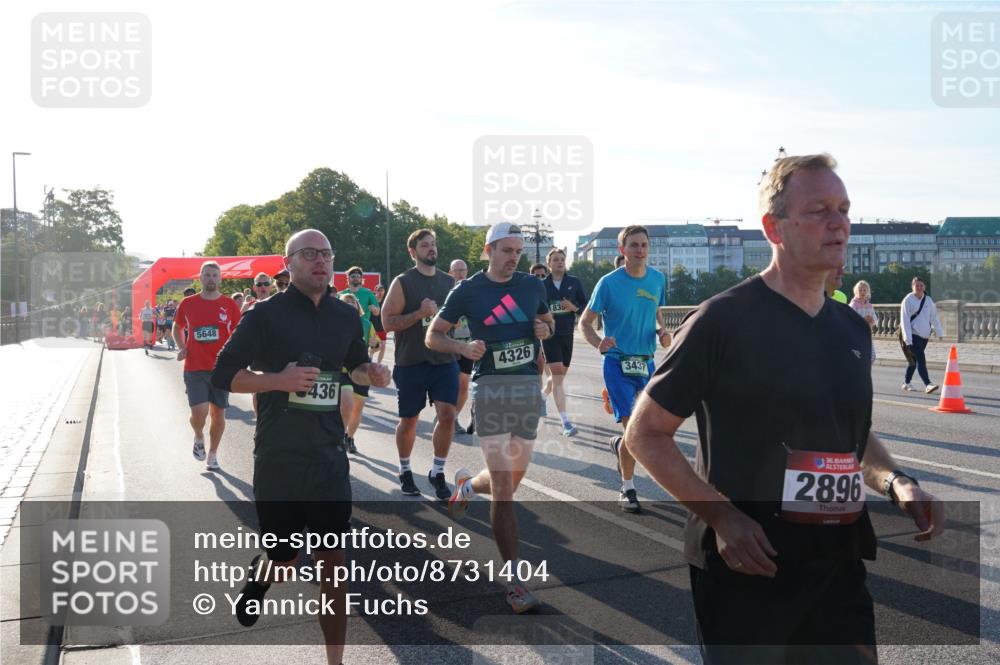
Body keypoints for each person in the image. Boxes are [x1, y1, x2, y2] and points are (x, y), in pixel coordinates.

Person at [625, 153, 945, 665]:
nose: (839, 222)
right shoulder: (720, 322)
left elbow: (851, 434)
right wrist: (722, 517)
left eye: (844, 208)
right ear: (773, 227)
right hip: (750, 565)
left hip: (838, 566)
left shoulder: (851, 328)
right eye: (819, 209)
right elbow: (644, 435)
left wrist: (894, 480)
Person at [212, 229, 391, 665]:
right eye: (309, 254)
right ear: (289, 263)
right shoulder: (263, 315)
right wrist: (278, 380)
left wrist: (371, 373)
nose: (321, 261)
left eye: (327, 253)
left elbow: (354, 365)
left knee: (335, 563)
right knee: (285, 557)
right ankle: (263, 573)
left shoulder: (345, 316)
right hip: (279, 456)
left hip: (328, 454)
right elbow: (224, 375)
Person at [428, 221, 555, 614]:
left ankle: (466, 487)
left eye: (518, 251)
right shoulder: (467, 290)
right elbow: (433, 335)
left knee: (513, 479)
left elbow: (548, 325)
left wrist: (544, 328)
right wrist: (462, 347)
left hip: (526, 389)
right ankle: (516, 583)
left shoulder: (532, 286)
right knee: (504, 488)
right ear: (488, 251)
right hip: (491, 390)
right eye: (506, 250)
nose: (513, 257)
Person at [579, 225, 669, 513]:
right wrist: (598, 342)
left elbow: (655, 313)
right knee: (634, 428)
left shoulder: (657, 279)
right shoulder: (608, 283)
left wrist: (662, 332)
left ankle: (620, 445)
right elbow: (585, 322)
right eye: (633, 245)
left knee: (644, 430)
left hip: (647, 363)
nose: (640, 250)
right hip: (617, 363)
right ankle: (627, 488)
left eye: (643, 244)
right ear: (622, 250)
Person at [381, 229, 459, 499]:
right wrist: (420, 313)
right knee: (409, 420)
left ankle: (437, 472)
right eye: (425, 245)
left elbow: (459, 321)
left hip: (443, 360)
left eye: (433, 244)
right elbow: (388, 323)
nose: (431, 249)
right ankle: (405, 469)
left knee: (448, 415)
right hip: (411, 361)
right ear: (413, 252)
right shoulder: (403, 282)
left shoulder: (449, 283)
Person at [173, 262, 242, 471]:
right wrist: (182, 346)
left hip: (221, 368)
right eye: (207, 275)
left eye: (215, 275)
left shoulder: (229, 304)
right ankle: (198, 436)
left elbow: (238, 333)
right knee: (199, 413)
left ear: (220, 279)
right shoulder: (188, 303)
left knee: (218, 414)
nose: (211, 278)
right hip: (194, 366)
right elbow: (178, 327)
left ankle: (213, 454)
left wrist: (237, 356)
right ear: (201, 278)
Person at [541, 248, 589, 436]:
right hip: (549, 336)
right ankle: (565, 422)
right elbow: (534, 309)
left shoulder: (574, 282)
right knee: (558, 377)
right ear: (549, 264)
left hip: (567, 335)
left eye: (562, 259)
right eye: (555, 259)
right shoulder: (542, 285)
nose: (559, 262)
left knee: (558, 377)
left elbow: (586, 308)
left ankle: (542, 396)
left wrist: (573, 307)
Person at [337, 291, 377, 455]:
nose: (349, 304)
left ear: (357, 306)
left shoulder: (366, 324)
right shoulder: (334, 322)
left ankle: (349, 437)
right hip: (342, 371)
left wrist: (375, 344)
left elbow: (375, 345)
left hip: (362, 370)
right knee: (347, 404)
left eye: (352, 302)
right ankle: (339, 436)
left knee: (357, 408)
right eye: (345, 302)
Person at [900, 276, 943, 394]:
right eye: (916, 285)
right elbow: (904, 321)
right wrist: (907, 339)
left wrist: (939, 332)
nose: (919, 287)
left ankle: (906, 382)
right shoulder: (908, 300)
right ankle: (928, 384)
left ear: (924, 287)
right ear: (912, 286)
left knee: (913, 361)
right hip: (912, 335)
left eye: (921, 285)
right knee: (920, 359)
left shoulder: (928, 300)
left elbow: (934, 317)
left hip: (924, 336)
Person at [448, 259, 475, 434]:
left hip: (468, 345)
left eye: (463, 270)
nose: (461, 274)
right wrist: (450, 323)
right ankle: (445, 416)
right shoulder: (445, 292)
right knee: (450, 384)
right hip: (449, 345)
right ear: (450, 273)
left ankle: (453, 417)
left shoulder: (474, 291)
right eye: (457, 270)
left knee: (463, 385)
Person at [850, 280, 876, 365]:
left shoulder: (869, 305)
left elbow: (875, 320)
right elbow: (849, 320)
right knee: (858, 358)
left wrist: (872, 321)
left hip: (867, 335)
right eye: (860, 290)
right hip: (856, 336)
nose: (862, 292)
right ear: (856, 291)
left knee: (871, 357)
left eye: (864, 290)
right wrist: (863, 320)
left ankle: (866, 375)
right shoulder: (853, 304)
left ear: (868, 291)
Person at [370, 284, 388, 365]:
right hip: (373, 328)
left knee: (383, 346)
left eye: (382, 290)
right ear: (375, 291)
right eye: (378, 290)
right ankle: (370, 355)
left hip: (382, 328)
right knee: (377, 346)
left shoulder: (385, 302)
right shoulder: (372, 301)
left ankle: (378, 364)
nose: (380, 292)